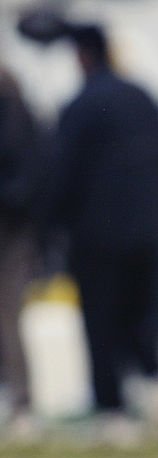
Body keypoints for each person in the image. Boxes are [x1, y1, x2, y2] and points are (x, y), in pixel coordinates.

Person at [49, 24, 158, 429]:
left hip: (97, 236)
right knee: (143, 315)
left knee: (101, 322)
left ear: (83, 56)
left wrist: (54, 225)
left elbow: (63, 176)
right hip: (149, 230)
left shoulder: (81, 105)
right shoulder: (143, 97)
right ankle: (157, 392)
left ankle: (113, 409)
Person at [0, 67, 43, 434]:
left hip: (11, 232)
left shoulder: (14, 114)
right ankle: (18, 401)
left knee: (8, 316)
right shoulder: (22, 111)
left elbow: (24, 183)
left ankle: (21, 401)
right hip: (16, 229)